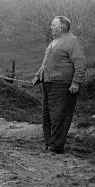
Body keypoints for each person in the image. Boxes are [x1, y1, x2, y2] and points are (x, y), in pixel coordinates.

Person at [31, 16, 87, 154]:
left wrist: (76, 82)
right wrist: (38, 75)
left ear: (61, 27)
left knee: (59, 116)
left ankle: (56, 147)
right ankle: (49, 144)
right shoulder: (53, 42)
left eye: (53, 25)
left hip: (62, 86)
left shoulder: (72, 42)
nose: (51, 27)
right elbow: (46, 63)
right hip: (48, 83)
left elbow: (80, 64)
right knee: (47, 116)